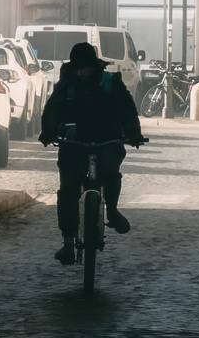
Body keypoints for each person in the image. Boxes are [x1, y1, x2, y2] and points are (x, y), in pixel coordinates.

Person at [39, 41, 146, 264]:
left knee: (111, 172)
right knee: (68, 189)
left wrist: (133, 133)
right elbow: (53, 109)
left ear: (94, 66)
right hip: (74, 144)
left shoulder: (110, 83)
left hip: (107, 141)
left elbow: (127, 108)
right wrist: (47, 132)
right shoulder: (65, 85)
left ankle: (113, 211)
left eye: (86, 67)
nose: (82, 71)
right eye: (79, 67)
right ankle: (68, 243)